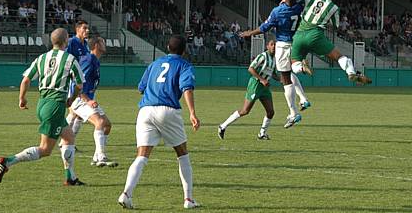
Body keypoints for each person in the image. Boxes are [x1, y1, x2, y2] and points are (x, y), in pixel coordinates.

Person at [118, 35, 200, 210]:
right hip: (167, 110)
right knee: (182, 153)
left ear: (167, 48)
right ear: (184, 50)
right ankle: (188, 199)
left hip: (145, 110)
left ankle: (126, 194)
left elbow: (141, 88)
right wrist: (192, 113)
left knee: (142, 155)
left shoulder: (155, 64)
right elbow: (187, 88)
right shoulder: (184, 65)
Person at [0, 28, 86, 186]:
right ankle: (8, 161)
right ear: (66, 41)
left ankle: (70, 177)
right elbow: (79, 84)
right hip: (56, 106)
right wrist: (71, 99)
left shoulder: (41, 58)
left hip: (42, 103)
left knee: (69, 137)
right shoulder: (70, 59)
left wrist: (22, 99)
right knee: (45, 149)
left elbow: (25, 80)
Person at [241, 0, 311, 129]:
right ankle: (303, 99)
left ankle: (293, 112)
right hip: (296, 43)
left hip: (283, 45)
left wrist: (250, 33)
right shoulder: (300, 7)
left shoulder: (278, 11)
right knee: (290, 74)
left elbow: (264, 27)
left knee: (285, 79)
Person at [290, 0, 371, 85]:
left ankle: (302, 67)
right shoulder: (334, 8)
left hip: (300, 34)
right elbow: (335, 26)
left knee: (294, 63)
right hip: (315, 35)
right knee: (339, 57)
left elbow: (295, 0)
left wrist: (285, 1)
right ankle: (350, 72)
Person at [70, 36, 117, 167]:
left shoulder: (95, 60)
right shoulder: (89, 59)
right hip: (80, 99)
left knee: (107, 125)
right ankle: (101, 156)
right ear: (96, 45)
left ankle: (97, 155)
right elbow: (77, 83)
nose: (105, 43)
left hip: (87, 99)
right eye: (102, 41)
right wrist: (87, 100)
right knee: (100, 122)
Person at [218, 40, 276, 140]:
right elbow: (251, 68)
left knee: (270, 112)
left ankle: (262, 134)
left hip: (264, 87)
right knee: (245, 111)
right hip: (256, 84)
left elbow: (273, 74)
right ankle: (222, 126)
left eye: (275, 45)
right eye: (272, 44)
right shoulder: (263, 56)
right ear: (267, 46)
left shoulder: (274, 59)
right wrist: (261, 79)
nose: (274, 46)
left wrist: (284, 80)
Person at [64, 20, 90, 137]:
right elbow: (65, 59)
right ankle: (66, 140)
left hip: (84, 80)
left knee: (78, 114)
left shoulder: (86, 44)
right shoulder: (72, 42)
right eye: (84, 28)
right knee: (74, 111)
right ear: (77, 29)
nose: (87, 30)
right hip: (73, 80)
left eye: (87, 28)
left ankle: (69, 140)